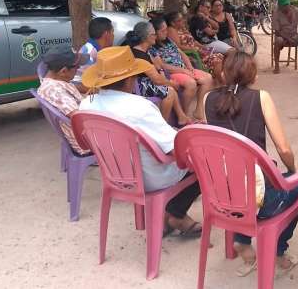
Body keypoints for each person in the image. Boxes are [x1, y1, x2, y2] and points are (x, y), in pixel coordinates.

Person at [80, 46, 202, 236]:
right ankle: (175, 214)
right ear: (130, 79)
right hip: (151, 176)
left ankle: (172, 215)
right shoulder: (139, 107)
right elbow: (174, 150)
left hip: (115, 174)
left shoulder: (86, 104)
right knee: (202, 162)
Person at [203, 51, 298, 277]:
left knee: (240, 179)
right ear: (253, 76)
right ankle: (278, 251)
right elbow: (284, 149)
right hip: (260, 199)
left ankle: (242, 241)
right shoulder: (261, 97)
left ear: (223, 73)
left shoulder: (206, 99)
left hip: (222, 197)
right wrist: (293, 171)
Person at [125, 22, 193, 126]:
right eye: (154, 34)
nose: (156, 37)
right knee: (169, 92)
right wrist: (171, 83)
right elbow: (157, 79)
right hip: (138, 87)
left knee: (170, 89)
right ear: (148, 37)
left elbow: (157, 70)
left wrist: (162, 73)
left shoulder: (141, 50)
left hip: (141, 83)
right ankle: (163, 125)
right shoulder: (140, 55)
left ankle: (181, 117)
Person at [150, 17, 213, 121]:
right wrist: (183, 71)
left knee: (208, 78)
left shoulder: (168, 40)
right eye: (163, 30)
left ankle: (198, 109)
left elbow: (182, 53)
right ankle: (184, 113)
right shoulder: (153, 47)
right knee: (191, 83)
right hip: (172, 72)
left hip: (183, 68)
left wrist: (190, 67)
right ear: (155, 32)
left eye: (166, 29)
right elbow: (162, 66)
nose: (166, 32)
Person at [38, 46, 90, 155]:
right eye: (77, 67)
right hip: (85, 142)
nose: (79, 68)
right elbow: (80, 117)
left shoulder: (52, 81)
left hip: (80, 133)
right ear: (63, 71)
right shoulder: (56, 92)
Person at [165, 11, 224, 80]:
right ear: (173, 23)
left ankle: (219, 79)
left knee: (220, 56)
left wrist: (203, 47)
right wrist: (195, 50)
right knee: (216, 59)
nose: (183, 21)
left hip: (197, 50)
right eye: (180, 20)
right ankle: (218, 80)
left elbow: (193, 41)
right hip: (191, 53)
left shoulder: (182, 28)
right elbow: (178, 47)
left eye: (183, 18)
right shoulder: (171, 30)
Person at [73, 17, 115, 93]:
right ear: (106, 34)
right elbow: (78, 84)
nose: (113, 36)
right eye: (112, 32)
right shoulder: (90, 52)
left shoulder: (95, 49)